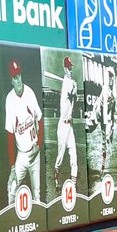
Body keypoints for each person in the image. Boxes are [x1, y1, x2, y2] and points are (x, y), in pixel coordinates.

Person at [4, 59, 43, 204]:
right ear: (11, 80)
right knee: (11, 189)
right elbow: (9, 135)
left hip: (35, 153)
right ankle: (11, 221)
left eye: (19, 75)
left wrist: (38, 144)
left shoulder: (30, 93)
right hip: (21, 156)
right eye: (14, 77)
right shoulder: (9, 99)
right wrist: (12, 167)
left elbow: (40, 119)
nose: (18, 79)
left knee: (37, 195)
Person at [53, 55, 78, 191]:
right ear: (64, 68)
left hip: (70, 126)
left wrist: (74, 85)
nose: (70, 69)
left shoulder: (70, 81)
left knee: (74, 156)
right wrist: (74, 86)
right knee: (60, 156)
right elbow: (72, 92)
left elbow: (75, 98)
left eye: (71, 67)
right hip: (62, 125)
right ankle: (56, 177)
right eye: (68, 67)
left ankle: (73, 185)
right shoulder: (66, 83)